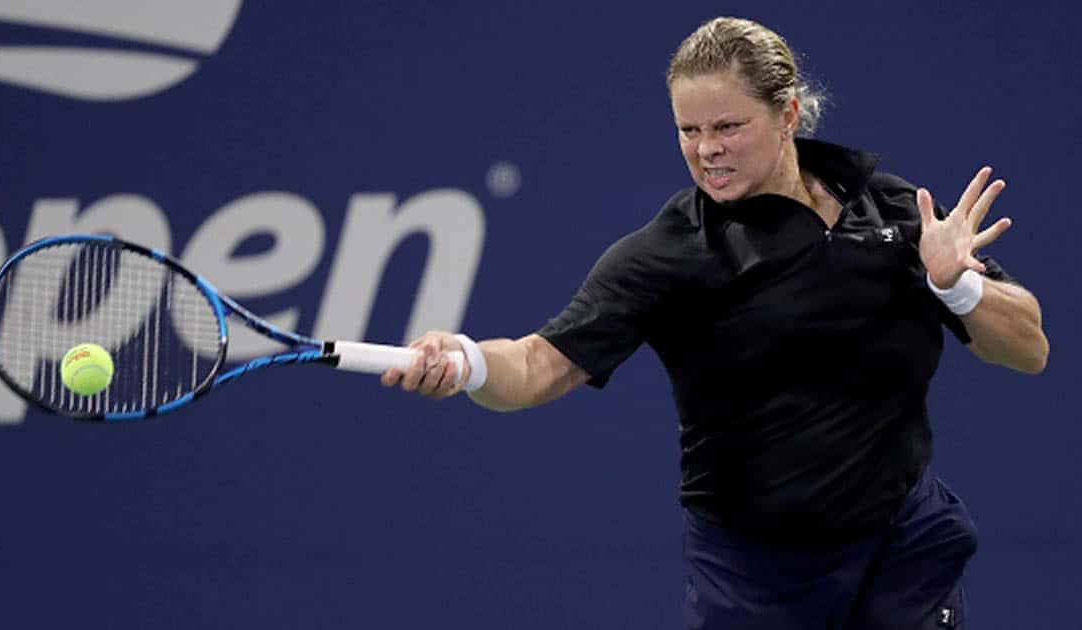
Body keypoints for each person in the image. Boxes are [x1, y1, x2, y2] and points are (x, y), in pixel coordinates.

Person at [381, 16, 1049, 629]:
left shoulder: (897, 208)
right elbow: (535, 366)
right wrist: (466, 361)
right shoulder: (671, 253)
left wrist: (954, 284)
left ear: (787, 114)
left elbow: (1028, 349)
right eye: (688, 131)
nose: (706, 151)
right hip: (759, 573)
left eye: (728, 127)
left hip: (903, 545)